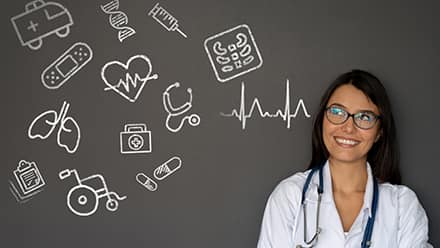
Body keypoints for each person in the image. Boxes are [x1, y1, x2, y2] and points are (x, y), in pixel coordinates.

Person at [257, 70, 432, 247]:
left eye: (364, 117)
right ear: (322, 120)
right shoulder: (290, 196)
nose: (349, 128)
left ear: (380, 131)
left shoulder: (402, 207)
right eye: (337, 112)